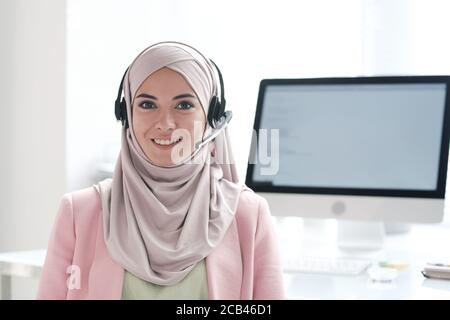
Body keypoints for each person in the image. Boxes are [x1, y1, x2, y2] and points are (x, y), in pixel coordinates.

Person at [36, 41, 285, 300]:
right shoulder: (80, 213)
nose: (165, 123)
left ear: (212, 117)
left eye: (184, 105)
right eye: (147, 105)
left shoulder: (248, 214)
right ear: (126, 113)